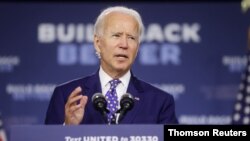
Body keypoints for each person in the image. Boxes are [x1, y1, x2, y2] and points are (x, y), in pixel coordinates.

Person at [45, 6, 178, 125]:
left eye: (131, 38)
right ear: (98, 43)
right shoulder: (66, 95)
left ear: (137, 48)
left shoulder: (160, 101)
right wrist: (67, 130)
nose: (124, 44)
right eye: (116, 35)